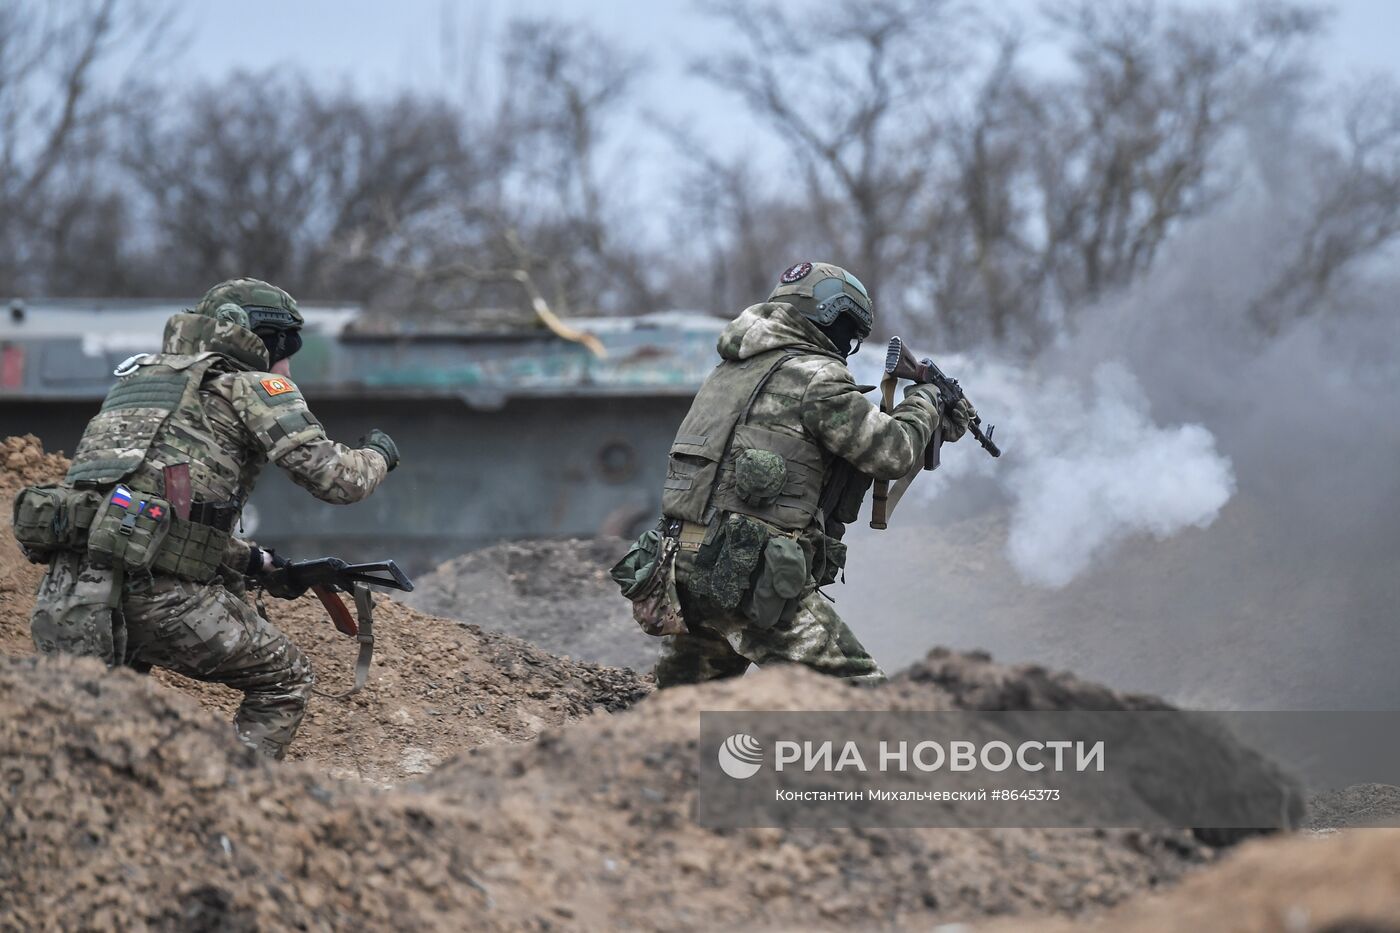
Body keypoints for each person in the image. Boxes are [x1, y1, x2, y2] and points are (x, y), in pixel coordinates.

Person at [21, 278, 399, 759]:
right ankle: (229, 802)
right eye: (286, 349)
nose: (287, 364)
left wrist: (257, 562)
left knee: (92, 755)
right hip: (156, 601)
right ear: (258, 341)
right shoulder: (253, 386)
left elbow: (147, 513)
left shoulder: (139, 381)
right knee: (286, 678)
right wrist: (380, 455)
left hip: (67, 601)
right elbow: (339, 481)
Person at [624, 261, 972, 687]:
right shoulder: (816, 375)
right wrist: (928, 402)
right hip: (743, 574)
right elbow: (890, 453)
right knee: (866, 697)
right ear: (830, 316)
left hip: (679, 570)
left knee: (682, 707)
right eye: (850, 330)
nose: (848, 344)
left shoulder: (728, 372)